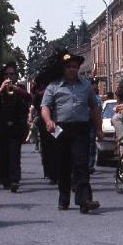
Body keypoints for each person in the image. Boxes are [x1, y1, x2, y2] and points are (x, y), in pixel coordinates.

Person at [41, 51, 103, 214]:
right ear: (63, 68)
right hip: (60, 128)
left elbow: (94, 107)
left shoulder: (85, 85)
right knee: (63, 164)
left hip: (80, 128)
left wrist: (99, 128)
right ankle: (64, 198)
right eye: (68, 67)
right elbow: (45, 106)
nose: (72, 69)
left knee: (81, 163)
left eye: (75, 67)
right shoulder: (54, 86)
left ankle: (84, 200)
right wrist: (48, 121)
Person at [0, 61, 31, 192]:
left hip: (16, 125)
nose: (9, 77)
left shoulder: (20, 88)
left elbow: (30, 97)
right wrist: (1, 89)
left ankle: (14, 180)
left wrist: (18, 89)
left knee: (14, 153)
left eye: (11, 74)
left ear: (15, 75)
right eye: (6, 74)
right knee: (2, 153)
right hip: (0, 125)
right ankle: (4, 178)